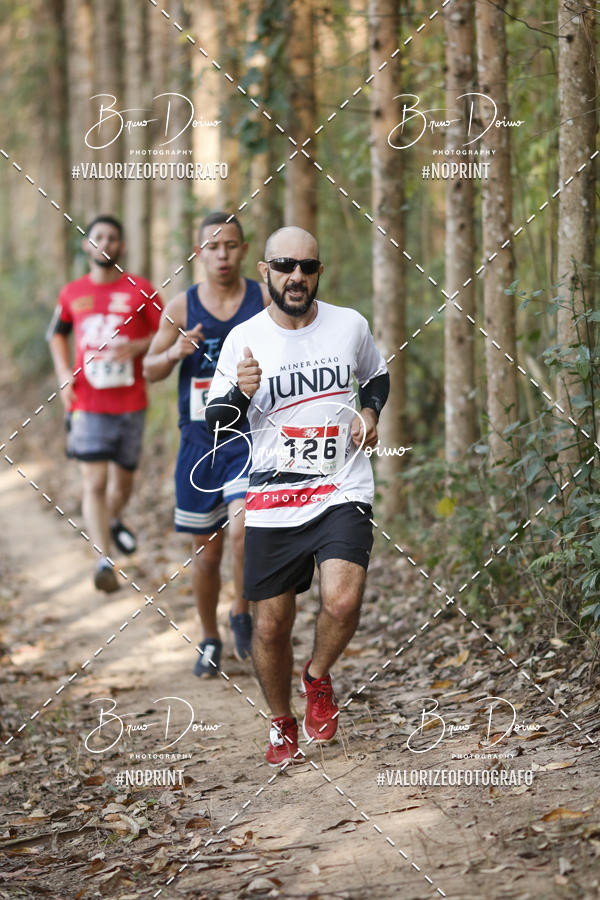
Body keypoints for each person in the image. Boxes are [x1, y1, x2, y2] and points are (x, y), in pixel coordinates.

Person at [205, 226, 390, 765]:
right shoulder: (244, 340)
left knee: (343, 599)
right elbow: (219, 424)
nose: (296, 277)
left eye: (307, 268)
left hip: (341, 484)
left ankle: (317, 676)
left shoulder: (349, 324)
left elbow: (376, 376)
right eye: (285, 265)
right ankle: (281, 720)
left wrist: (371, 412)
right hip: (274, 497)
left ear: (319, 274)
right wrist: (240, 394)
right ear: (264, 270)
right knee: (271, 623)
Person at [143, 212, 269, 675]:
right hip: (198, 441)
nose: (222, 255)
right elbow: (150, 370)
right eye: (213, 247)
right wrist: (175, 351)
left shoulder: (261, 300)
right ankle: (209, 638)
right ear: (199, 254)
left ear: (244, 250)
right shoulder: (181, 307)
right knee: (206, 552)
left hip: (248, 436)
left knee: (242, 531)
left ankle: (240, 610)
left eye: (231, 246)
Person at [48, 215, 163, 592]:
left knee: (122, 486)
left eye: (113, 237)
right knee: (94, 481)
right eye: (98, 237)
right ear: (87, 244)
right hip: (87, 401)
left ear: (122, 246)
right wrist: (64, 370)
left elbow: (168, 331)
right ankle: (104, 559)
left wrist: (138, 346)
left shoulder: (139, 289)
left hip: (130, 401)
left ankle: (112, 521)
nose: (105, 243)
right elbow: (56, 334)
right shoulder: (72, 293)